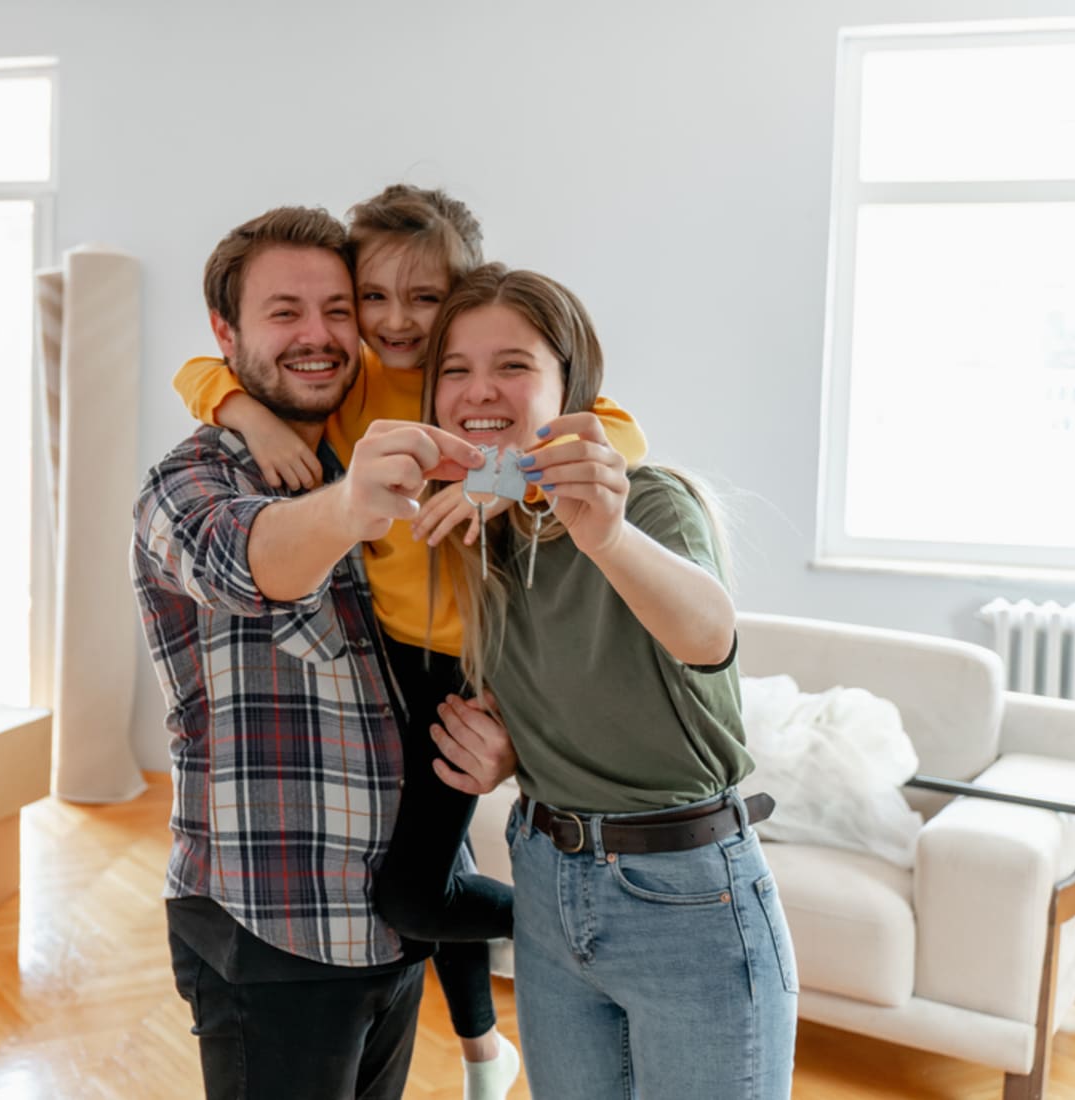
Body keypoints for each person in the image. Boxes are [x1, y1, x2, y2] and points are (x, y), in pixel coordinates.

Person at [172, 184, 650, 1098]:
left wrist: (505, 478)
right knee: (431, 869)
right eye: (374, 299)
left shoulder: (484, 389)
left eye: (424, 300)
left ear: (462, 297)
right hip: (389, 657)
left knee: (416, 891)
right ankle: (482, 1049)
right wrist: (252, 416)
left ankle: (577, 937)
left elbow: (617, 433)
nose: (394, 322)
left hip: (469, 666)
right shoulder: (351, 391)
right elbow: (198, 372)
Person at [132, 205, 516, 1100]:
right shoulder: (189, 480)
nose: (320, 335)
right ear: (227, 335)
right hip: (274, 930)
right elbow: (244, 559)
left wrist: (499, 748)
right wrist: (352, 504)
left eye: (338, 309)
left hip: (390, 932)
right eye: (283, 313)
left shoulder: (376, 435)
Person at [417, 263, 799, 1098]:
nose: (480, 389)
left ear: (569, 385)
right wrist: (514, 753)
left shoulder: (649, 503)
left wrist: (607, 538)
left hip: (687, 897)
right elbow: (578, 688)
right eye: (455, 369)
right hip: (547, 885)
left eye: (513, 364)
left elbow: (709, 637)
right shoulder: (483, 543)